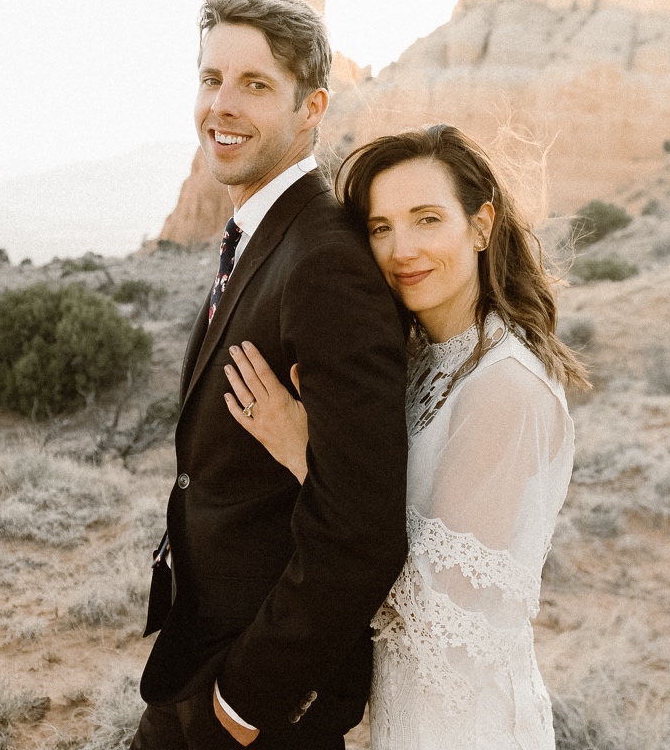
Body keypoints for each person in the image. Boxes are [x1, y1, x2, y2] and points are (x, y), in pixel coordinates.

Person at [223, 124, 587, 750]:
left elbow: (444, 614)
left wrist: (307, 456)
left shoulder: (506, 390)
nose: (401, 251)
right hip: (410, 718)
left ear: (480, 225)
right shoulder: (425, 360)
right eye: (381, 228)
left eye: (426, 220)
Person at [133, 0, 410, 749]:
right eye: (211, 79)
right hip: (201, 650)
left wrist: (247, 699)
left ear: (311, 107)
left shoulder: (324, 261)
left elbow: (362, 528)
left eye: (255, 85)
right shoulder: (262, 233)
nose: (222, 105)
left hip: (262, 689)